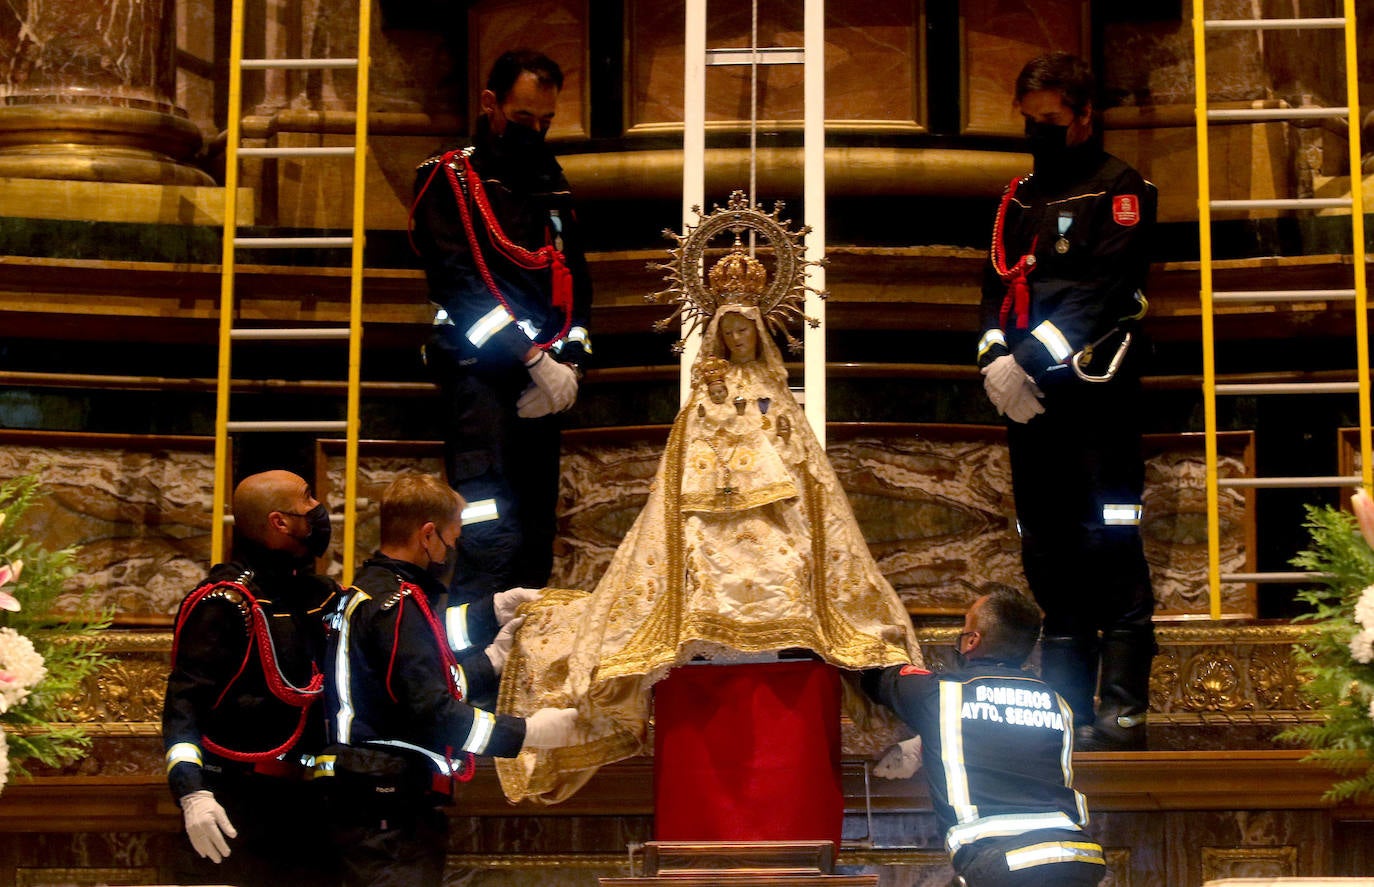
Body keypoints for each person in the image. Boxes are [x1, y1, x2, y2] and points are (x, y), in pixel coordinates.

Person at [494, 246, 922, 805]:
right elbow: (679, 476)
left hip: (777, 523)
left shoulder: (776, 398)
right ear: (717, 331)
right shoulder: (702, 398)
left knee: (803, 571)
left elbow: (806, 474)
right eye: (730, 329)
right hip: (705, 521)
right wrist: (714, 405)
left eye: (747, 328)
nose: (740, 339)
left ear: (760, 329)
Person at [975, 52, 1158, 750]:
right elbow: (995, 290)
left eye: (1051, 120)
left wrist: (1028, 360)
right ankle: (1066, 709)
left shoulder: (1121, 192)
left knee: (1112, 541)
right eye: (1030, 120)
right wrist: (995, 361)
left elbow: (1101, 295)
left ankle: (1123, 708)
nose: (1039, 132)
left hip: (1097, 405)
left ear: (1084, 116)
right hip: (1027, 408)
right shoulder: (1017, 199)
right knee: (1047, 552)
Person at [321, 473, 581, 886]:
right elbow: (433, 711)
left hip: (371, 799)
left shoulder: (367, 592)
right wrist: (528, 733)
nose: (452, 549)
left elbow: (422, 665)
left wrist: (491, 647)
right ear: (428, 535)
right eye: (451, 538)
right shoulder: (397, 606)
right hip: (389, 813)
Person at [410, 48, 593, 603]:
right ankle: (470, 680)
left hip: (545, 387)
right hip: (480, 382)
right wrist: (532, 359)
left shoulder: (550, 182)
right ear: (490, 104)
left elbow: (576, 286)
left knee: (537, 537)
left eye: (545, 122)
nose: (534, 132)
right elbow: (460, 288)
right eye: (521, 120)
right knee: (486, 538)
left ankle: (525, 675)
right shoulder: (448, 178)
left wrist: (570, 369)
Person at [162, 469, 340, 886]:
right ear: (279, 522)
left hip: (307, 810)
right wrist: (192, 794)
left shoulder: (320, 594)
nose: (319, 510)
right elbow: (183, 706)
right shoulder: (224, 602)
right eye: (308, 499)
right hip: (232, 808)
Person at [862, 588, 1107, 887]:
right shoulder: (1057, 701)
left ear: (972, 641)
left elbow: (875, 672)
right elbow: (1005, 738)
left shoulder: (941, 693)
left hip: (1000, 862)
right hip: (1078, 857)